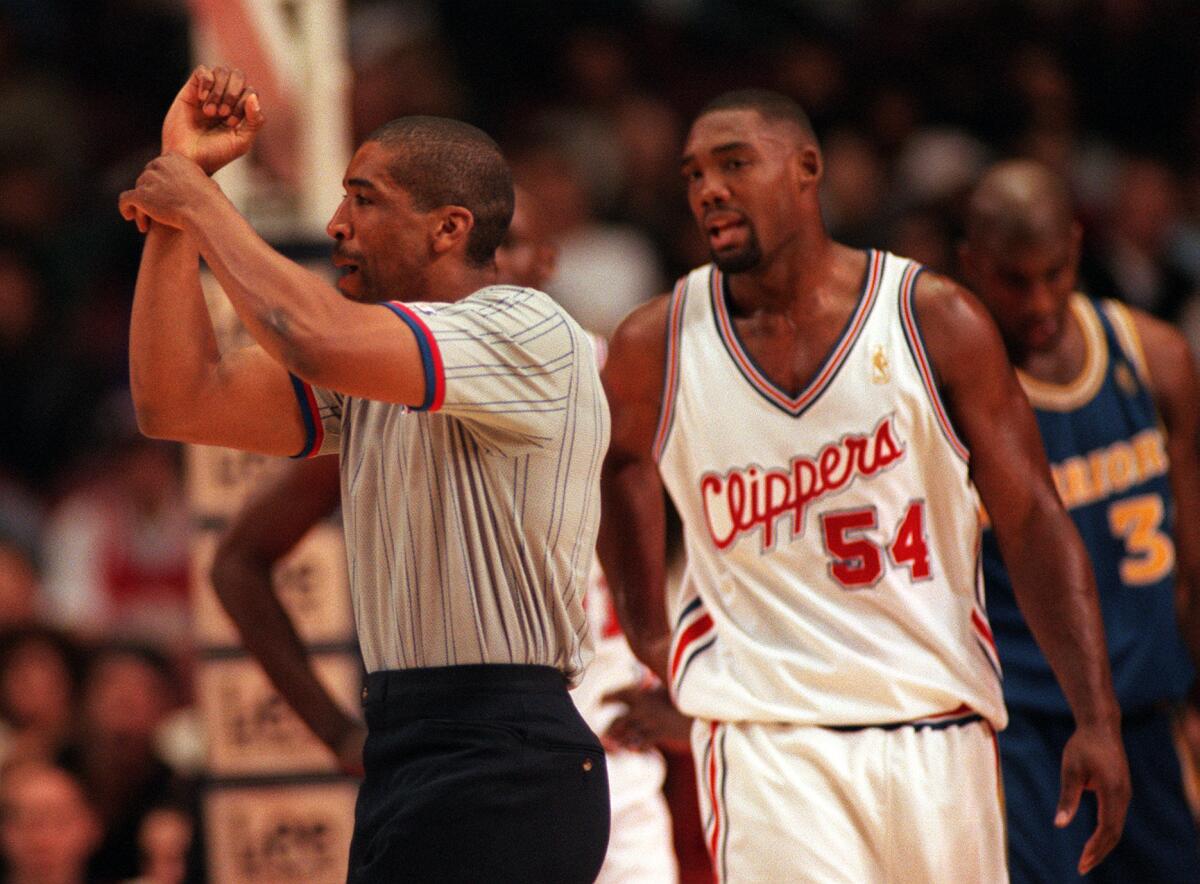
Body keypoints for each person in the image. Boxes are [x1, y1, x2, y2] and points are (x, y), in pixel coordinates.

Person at [597, 88, 1130, 882]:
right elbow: (622, 468)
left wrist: (1096, 714)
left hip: (936, 725)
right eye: (694, 173)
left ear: (807, 169)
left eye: (734, 163)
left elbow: (1033, 520)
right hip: (769, 741)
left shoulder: (934, 318)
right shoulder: (659, 341)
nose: (708, 187)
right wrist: (649, 634)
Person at [118, 67, 610, 882]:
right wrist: (183, 196)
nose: (335, 223)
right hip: (405, 747)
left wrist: (202, 206)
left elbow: (310, 336)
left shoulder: (526, 326)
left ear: (450, 227)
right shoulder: (375, 364)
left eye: (364, 199)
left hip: (507, 750)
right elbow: (177, 400)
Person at [210, 187, 679, 884]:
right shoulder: (386, 391)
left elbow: (710, 533)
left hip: (604, 758)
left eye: (505, 242)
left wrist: (677, 665)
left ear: (542, 262)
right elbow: (239, 559)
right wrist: (337, 729)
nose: (484, 260)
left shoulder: (605, 375)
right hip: (469, 756)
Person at [960, 159, 1200, 882]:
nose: (1040, 301)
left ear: (1075, 245)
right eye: (1014, 280)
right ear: (972, 266)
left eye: (1055, 273)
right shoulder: (958, 401)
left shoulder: (1155, 356)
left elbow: (1193, 560)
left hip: (1151, 719)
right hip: (1032, 734)